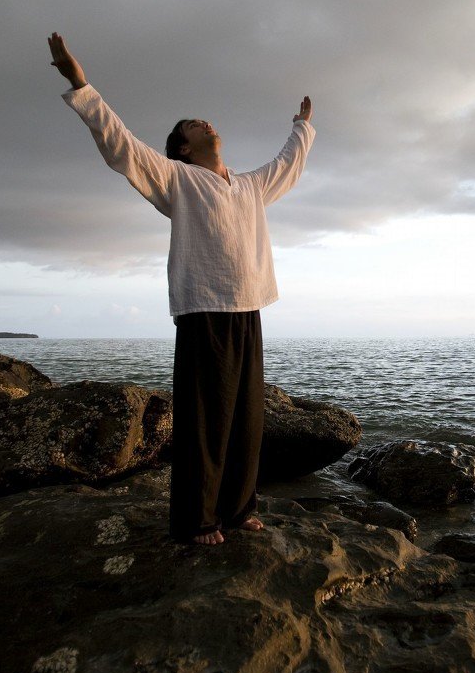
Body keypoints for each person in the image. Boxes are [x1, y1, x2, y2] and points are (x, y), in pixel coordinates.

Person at [48, 32, 315, 546]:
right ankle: (198, 519)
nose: (205, 122)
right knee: (204, 419)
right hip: (203, 310)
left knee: (246, 417)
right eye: (193, 125)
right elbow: (121, 145)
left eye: (205, 120)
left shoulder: (249, 185)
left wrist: (301, 127)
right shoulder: (176, 178)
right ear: (184, 148)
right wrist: (81, 85)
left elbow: (288, 165)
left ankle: (238, 509)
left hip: (249, 309)